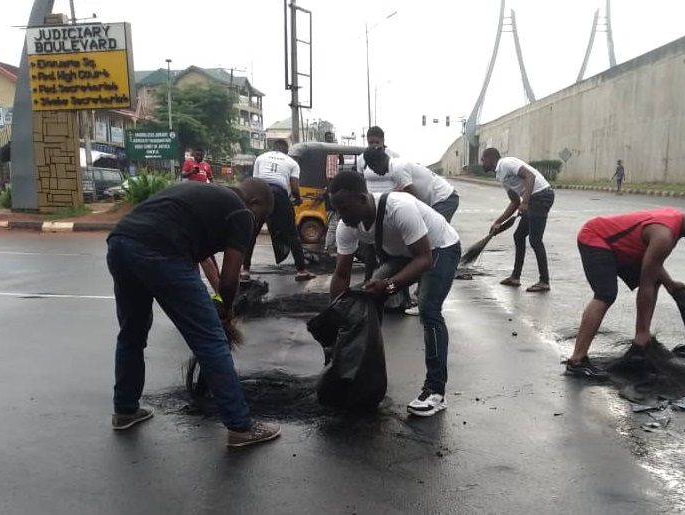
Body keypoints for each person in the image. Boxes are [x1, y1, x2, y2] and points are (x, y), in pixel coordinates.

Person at [105, 178, 281, 448]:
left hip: (120, 243)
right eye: (261, 219)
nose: (256, 226)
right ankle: (241, 426)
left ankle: (125, 410)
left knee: (132, 332)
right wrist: (227, 308)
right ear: (255, 203)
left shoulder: (205, 195)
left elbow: (207, 261)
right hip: (162, 250)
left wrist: (218, 296)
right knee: (211, 340)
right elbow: (230, 279)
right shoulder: (242, 212)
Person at [328, 172, 461, 417]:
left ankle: (435, 391)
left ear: (362, 198)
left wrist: (390, 286)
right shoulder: (347, 226)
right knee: (368, 296)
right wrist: (337, 317)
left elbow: (424, 259)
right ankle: (366, 375)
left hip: (439, 248)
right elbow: (341, 276)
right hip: (405, 254)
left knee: (428, 310)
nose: (341, 217)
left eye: (344, 209)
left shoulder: (399, 208)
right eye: (336, 210)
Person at [565, 198, 685, 379]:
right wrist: (643, 334)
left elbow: (653, 265)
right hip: (595, 238)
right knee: (605, 295)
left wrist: (670, 283)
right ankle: (577, 361)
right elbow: (646, 284)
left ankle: (640, 337)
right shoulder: (664, 236)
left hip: (617, 246)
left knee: (656, 279)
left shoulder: (674, 224)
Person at [481, 148, 555, 293]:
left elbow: (530, 176)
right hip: (533, 199)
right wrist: (498, 222)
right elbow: (515, 202)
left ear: (490, 158)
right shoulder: (500, 175)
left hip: (541, 196)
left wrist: (526, 202)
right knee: (519, 236)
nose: (482, 162)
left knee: (535, 240)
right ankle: (515, 277)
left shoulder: (506, 163)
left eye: (483, 159)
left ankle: (544, 281)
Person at [252, 139, 316, 281]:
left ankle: (244, 269)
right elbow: (294, 188)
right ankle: (301, 270)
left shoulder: (261, 158)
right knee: (292, 233)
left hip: (259, 192)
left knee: (253, 232)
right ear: (287, 151)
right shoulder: (292, 163)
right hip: (278, 193)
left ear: (272, 148)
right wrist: (297, 199)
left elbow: (254, 181)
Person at [362, 146, 460, 222]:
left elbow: (411, 197)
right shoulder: (396, 165)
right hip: (444, 198)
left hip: (444, 199)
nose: (374, 171)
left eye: (372, 167)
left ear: (375, 163)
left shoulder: (397, 168)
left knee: (435, 234)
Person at [356, 126, 401, 194]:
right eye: (371, 142)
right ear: (367, 141)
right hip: (371, 199)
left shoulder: (393, 156)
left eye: (377, 142)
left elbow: (400, 181)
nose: (374, 145)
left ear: (383, 141)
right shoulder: (361, 158)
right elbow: (360, 182)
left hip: (390, 198)